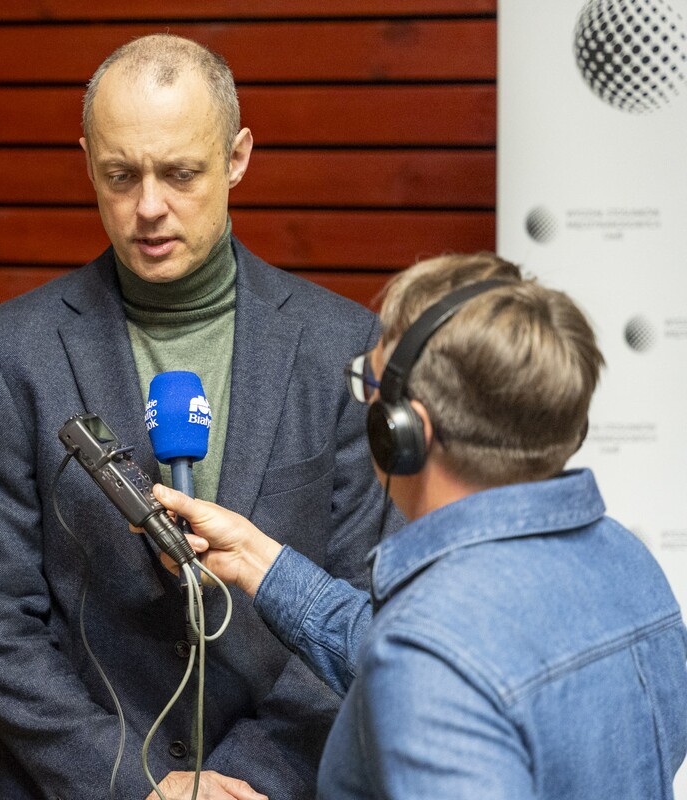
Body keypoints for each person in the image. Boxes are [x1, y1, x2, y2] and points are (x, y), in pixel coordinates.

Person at [0, 33, 398, 800]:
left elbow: (362, 603)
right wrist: (142, 785)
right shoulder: (6, 354)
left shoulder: (344, 348)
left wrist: (240, 780)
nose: (148, 207)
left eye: (181, 173)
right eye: (121, 175)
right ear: (88, 162)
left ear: (237, 158)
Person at [153, 252, 687, 799]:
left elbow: (438, 657)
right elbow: (452, 653)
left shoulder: (430, 647)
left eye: (370, 385)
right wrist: (255, 560)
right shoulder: (628, 563)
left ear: (403, 431)